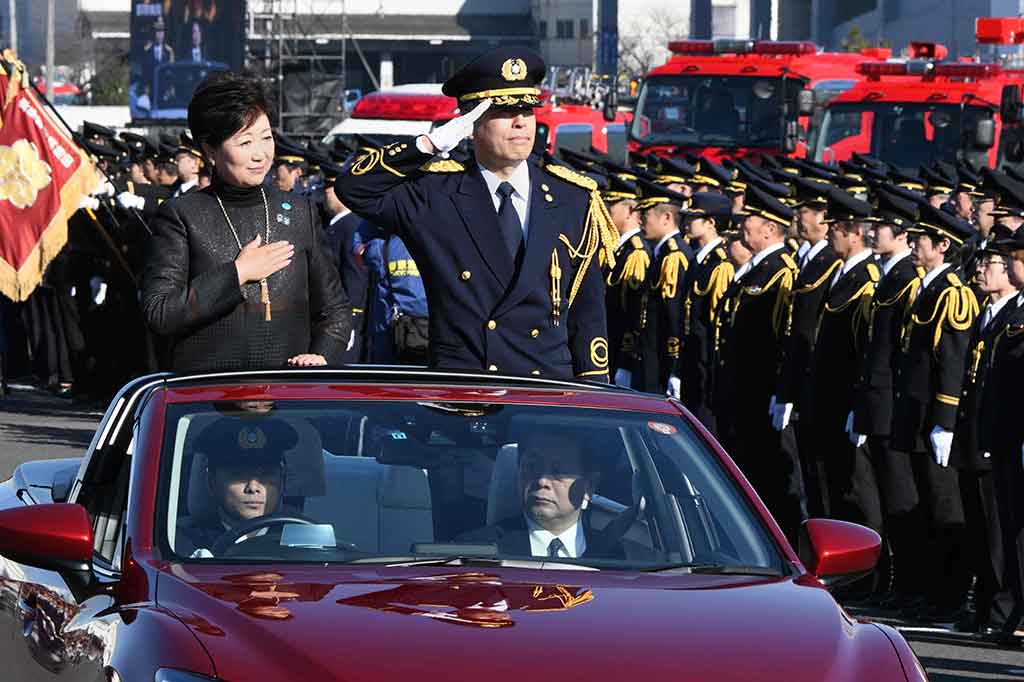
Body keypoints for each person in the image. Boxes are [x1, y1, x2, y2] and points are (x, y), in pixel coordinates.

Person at [334, 47, 614, 379]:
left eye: (528, 109)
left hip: (546, 397)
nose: (521, 121)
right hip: (466, 389)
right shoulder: (437, 194)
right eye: (503, 111)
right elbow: (353, 187)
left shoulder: (572, 197)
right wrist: (430, 144)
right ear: (471, 122)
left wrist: (590, 396)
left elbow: (588, 313)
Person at [142, 72, 352, 372]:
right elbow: (160, 312)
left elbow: (335, 309)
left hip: (288, 396)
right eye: (245, 142)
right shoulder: (182, 215)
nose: (260, 154)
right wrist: (238, 273)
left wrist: (321, 354)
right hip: (207, 397)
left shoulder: (300, 211)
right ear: (210, 150)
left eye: (266, 138)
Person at [889, 203, 977, 622]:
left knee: (945, 509)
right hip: (915, 412)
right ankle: (926, 589)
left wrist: (945, 420)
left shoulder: (953, 293)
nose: (914, 244)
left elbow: (953, 362)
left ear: (943, 245)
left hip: (935, 418)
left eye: (922, 239)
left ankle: (950, 594)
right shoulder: (927, 288)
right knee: (922, 506)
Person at [950, 237, 1020, 635]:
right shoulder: (987, 311)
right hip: (976, 429)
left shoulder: (1013, 312)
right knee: (980, 523)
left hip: (997, 433)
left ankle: (1001, 606)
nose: (982, 270)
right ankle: (987, 605)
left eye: (991, 263)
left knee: (998, 527)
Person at [459, 429, 646, 560]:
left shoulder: (618, 556)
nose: (541, 481)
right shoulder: (477, 550)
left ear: (589, 487)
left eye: (559, 471)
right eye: (532, 467)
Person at [176, 416, 296, 557]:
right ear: (211, 481)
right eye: (238, 475)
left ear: (282, 481)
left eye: (266, 475)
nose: (253, 487)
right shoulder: (181, 546)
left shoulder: (305, 542)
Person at [678, 192, 734, 431]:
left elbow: (715, 323)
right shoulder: (698, 260)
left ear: (711, 223)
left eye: (694, 217)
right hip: (690, 357)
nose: (687, 222)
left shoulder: (719, 264)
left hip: (704, 361)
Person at [635, 180, 692, 396]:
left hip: (662, 362)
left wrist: (674, 367)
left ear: (667, 217)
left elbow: (675, 316)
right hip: (651, 359)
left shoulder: (674, 257)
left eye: (647, 214)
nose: (641, 220)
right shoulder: (662, 254)